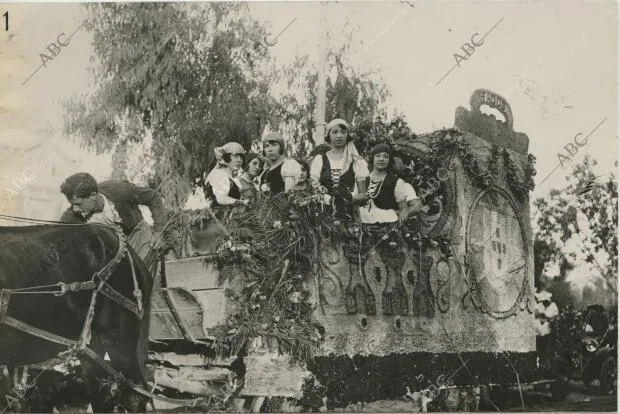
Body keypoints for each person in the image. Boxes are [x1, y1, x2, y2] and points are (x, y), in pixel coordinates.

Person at [347, 143, 410, 316]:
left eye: (385, 156)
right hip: (365, 225)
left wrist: (403, 214)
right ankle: (364, 301)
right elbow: (355, 204)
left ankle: (390, 301)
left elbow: (403, 207)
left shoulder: (396, 182)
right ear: (372, 158)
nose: (381, 159)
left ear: (389, 160)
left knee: (392, 263)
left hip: (387, 225)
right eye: (378, 156)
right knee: (357, 260)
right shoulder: (362, 179)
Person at [59, 173, 166, 261]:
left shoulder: (120, 190)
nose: (75, 209)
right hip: (113, 247)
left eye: (78, 204)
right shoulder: (71, 216)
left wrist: (158, 231)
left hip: (137, 235)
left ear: (93, 196)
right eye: (72, 204)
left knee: (145, 275)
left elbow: (153, 197)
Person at [310, 119, 368, 219]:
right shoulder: (320, 160)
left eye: (343, 132)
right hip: (323, 216)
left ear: (347, 135)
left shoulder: (357, 161)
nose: (339, 135)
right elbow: (313, 189)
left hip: (349, 215)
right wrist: (325, 197)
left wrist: (347, 200)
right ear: (328, 135)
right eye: (335, 132)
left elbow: (363, 195)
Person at [205, 142, 249, 207]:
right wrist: (241, 202)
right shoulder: (220, 173)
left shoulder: (231, 176)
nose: (239, 160)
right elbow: (221, 199)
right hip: (219, 215)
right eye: (235, 156)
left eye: (241, 157)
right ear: (227, 157)